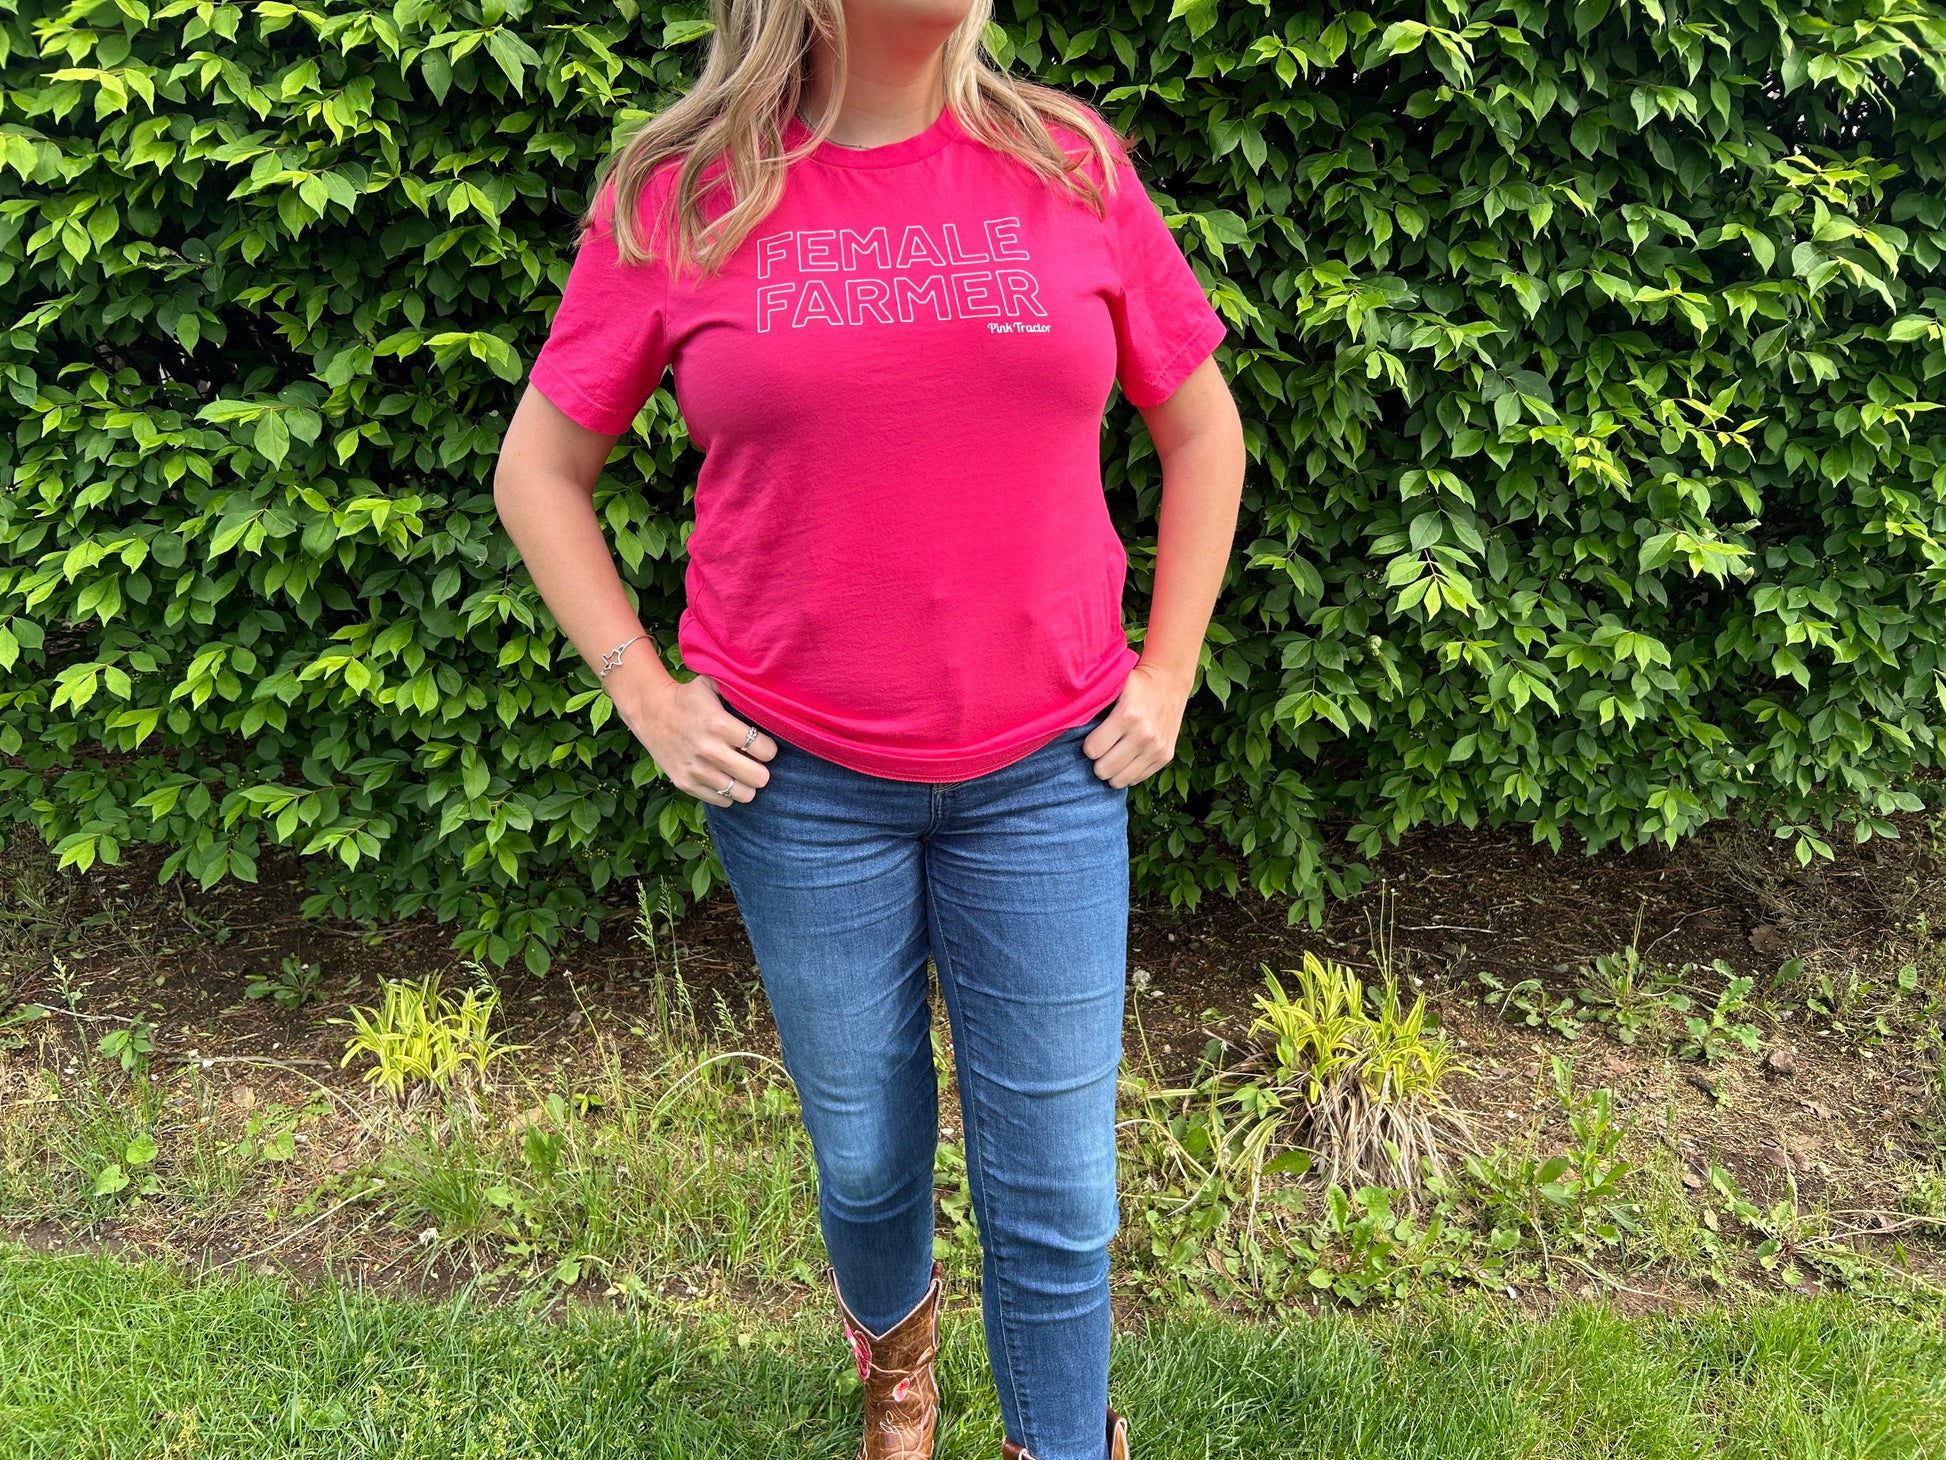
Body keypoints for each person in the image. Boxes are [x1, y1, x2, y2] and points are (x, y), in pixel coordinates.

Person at [492, 1, 1245, 1455]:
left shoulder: (1069, 161)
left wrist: (1167, 670)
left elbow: (1198, 425)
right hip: (799, 782)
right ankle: (895, 1382)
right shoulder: (684, 191)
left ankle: (1060, 1441)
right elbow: (541, 467)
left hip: (1048, 769)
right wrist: (645, 695)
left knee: (1060, 1187)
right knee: (867, 1150)